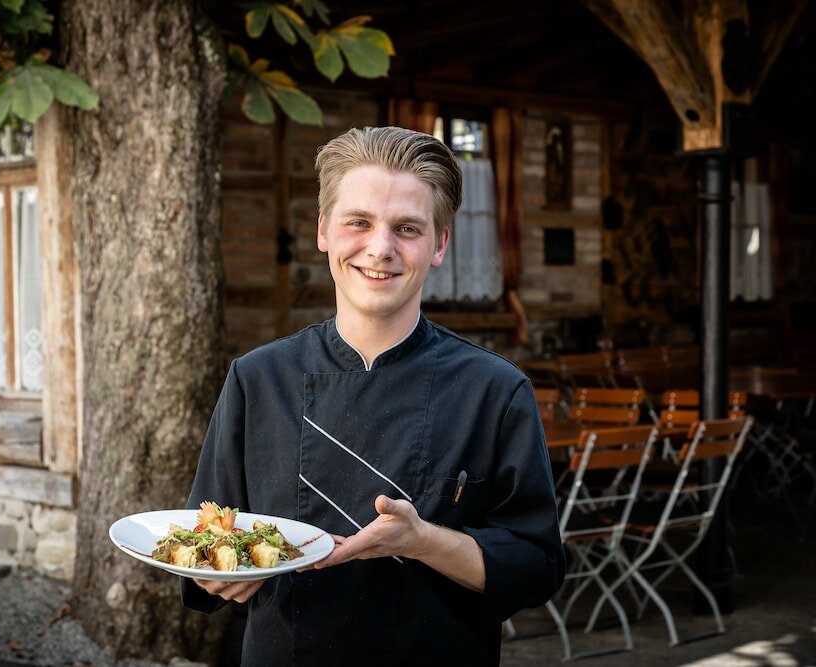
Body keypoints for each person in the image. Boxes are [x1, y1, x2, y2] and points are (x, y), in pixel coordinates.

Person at [182, 126, 564, 665]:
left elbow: (537, 568)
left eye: (407, 228)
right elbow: (204, 542)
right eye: (358, 222)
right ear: (323, 231)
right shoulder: (256, 380)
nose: (380, 248)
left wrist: (421, 540)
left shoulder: (496, 392)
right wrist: (217, 576)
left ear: (440, 244)